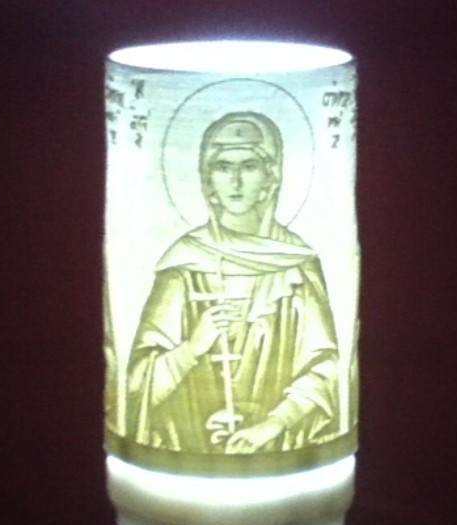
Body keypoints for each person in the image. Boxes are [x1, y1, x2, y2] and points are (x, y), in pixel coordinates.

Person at [127, 111, 339, 455]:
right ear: (208, 180)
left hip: (275, 449)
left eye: (249, 167)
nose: (235, 181)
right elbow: (138, 384)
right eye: (223, 168)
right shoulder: (183, 264)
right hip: (190, 449)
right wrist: (193, 347)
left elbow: (325, 367)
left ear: (270, 178)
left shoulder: (296, 265)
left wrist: (272, 424)